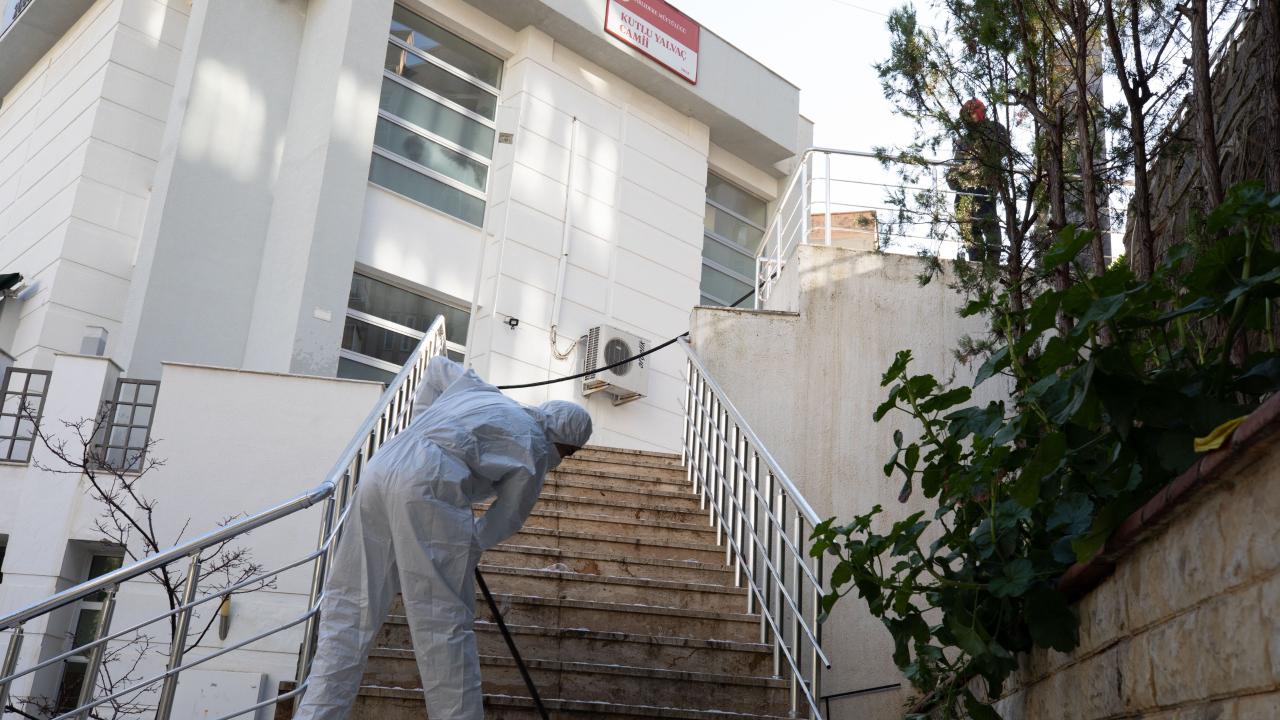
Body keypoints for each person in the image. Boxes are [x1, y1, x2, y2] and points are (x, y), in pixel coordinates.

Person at [294, 355, 593, 720]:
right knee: (443, 627)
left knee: (350, 610)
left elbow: (436, 368)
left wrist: (421, 425)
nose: (565, 458)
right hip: (430, 486)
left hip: (383, 466)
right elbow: (508, 516)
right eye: (570, 451)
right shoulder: (535, 447)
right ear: (564, 440)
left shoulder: (485, 394)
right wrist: (471, 542)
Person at [946, 98, 1009, 263]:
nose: (971, 117)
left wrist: (978, 157)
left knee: (988, 220)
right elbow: (956, 165)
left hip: (984, 184)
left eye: (973, 112)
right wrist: (953, 176)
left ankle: (993, 259)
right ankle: (975, 258)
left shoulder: (995, 129)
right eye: (968, 114)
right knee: (966, 221)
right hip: (964, 188)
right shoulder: (963, 140)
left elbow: (1000, 150)